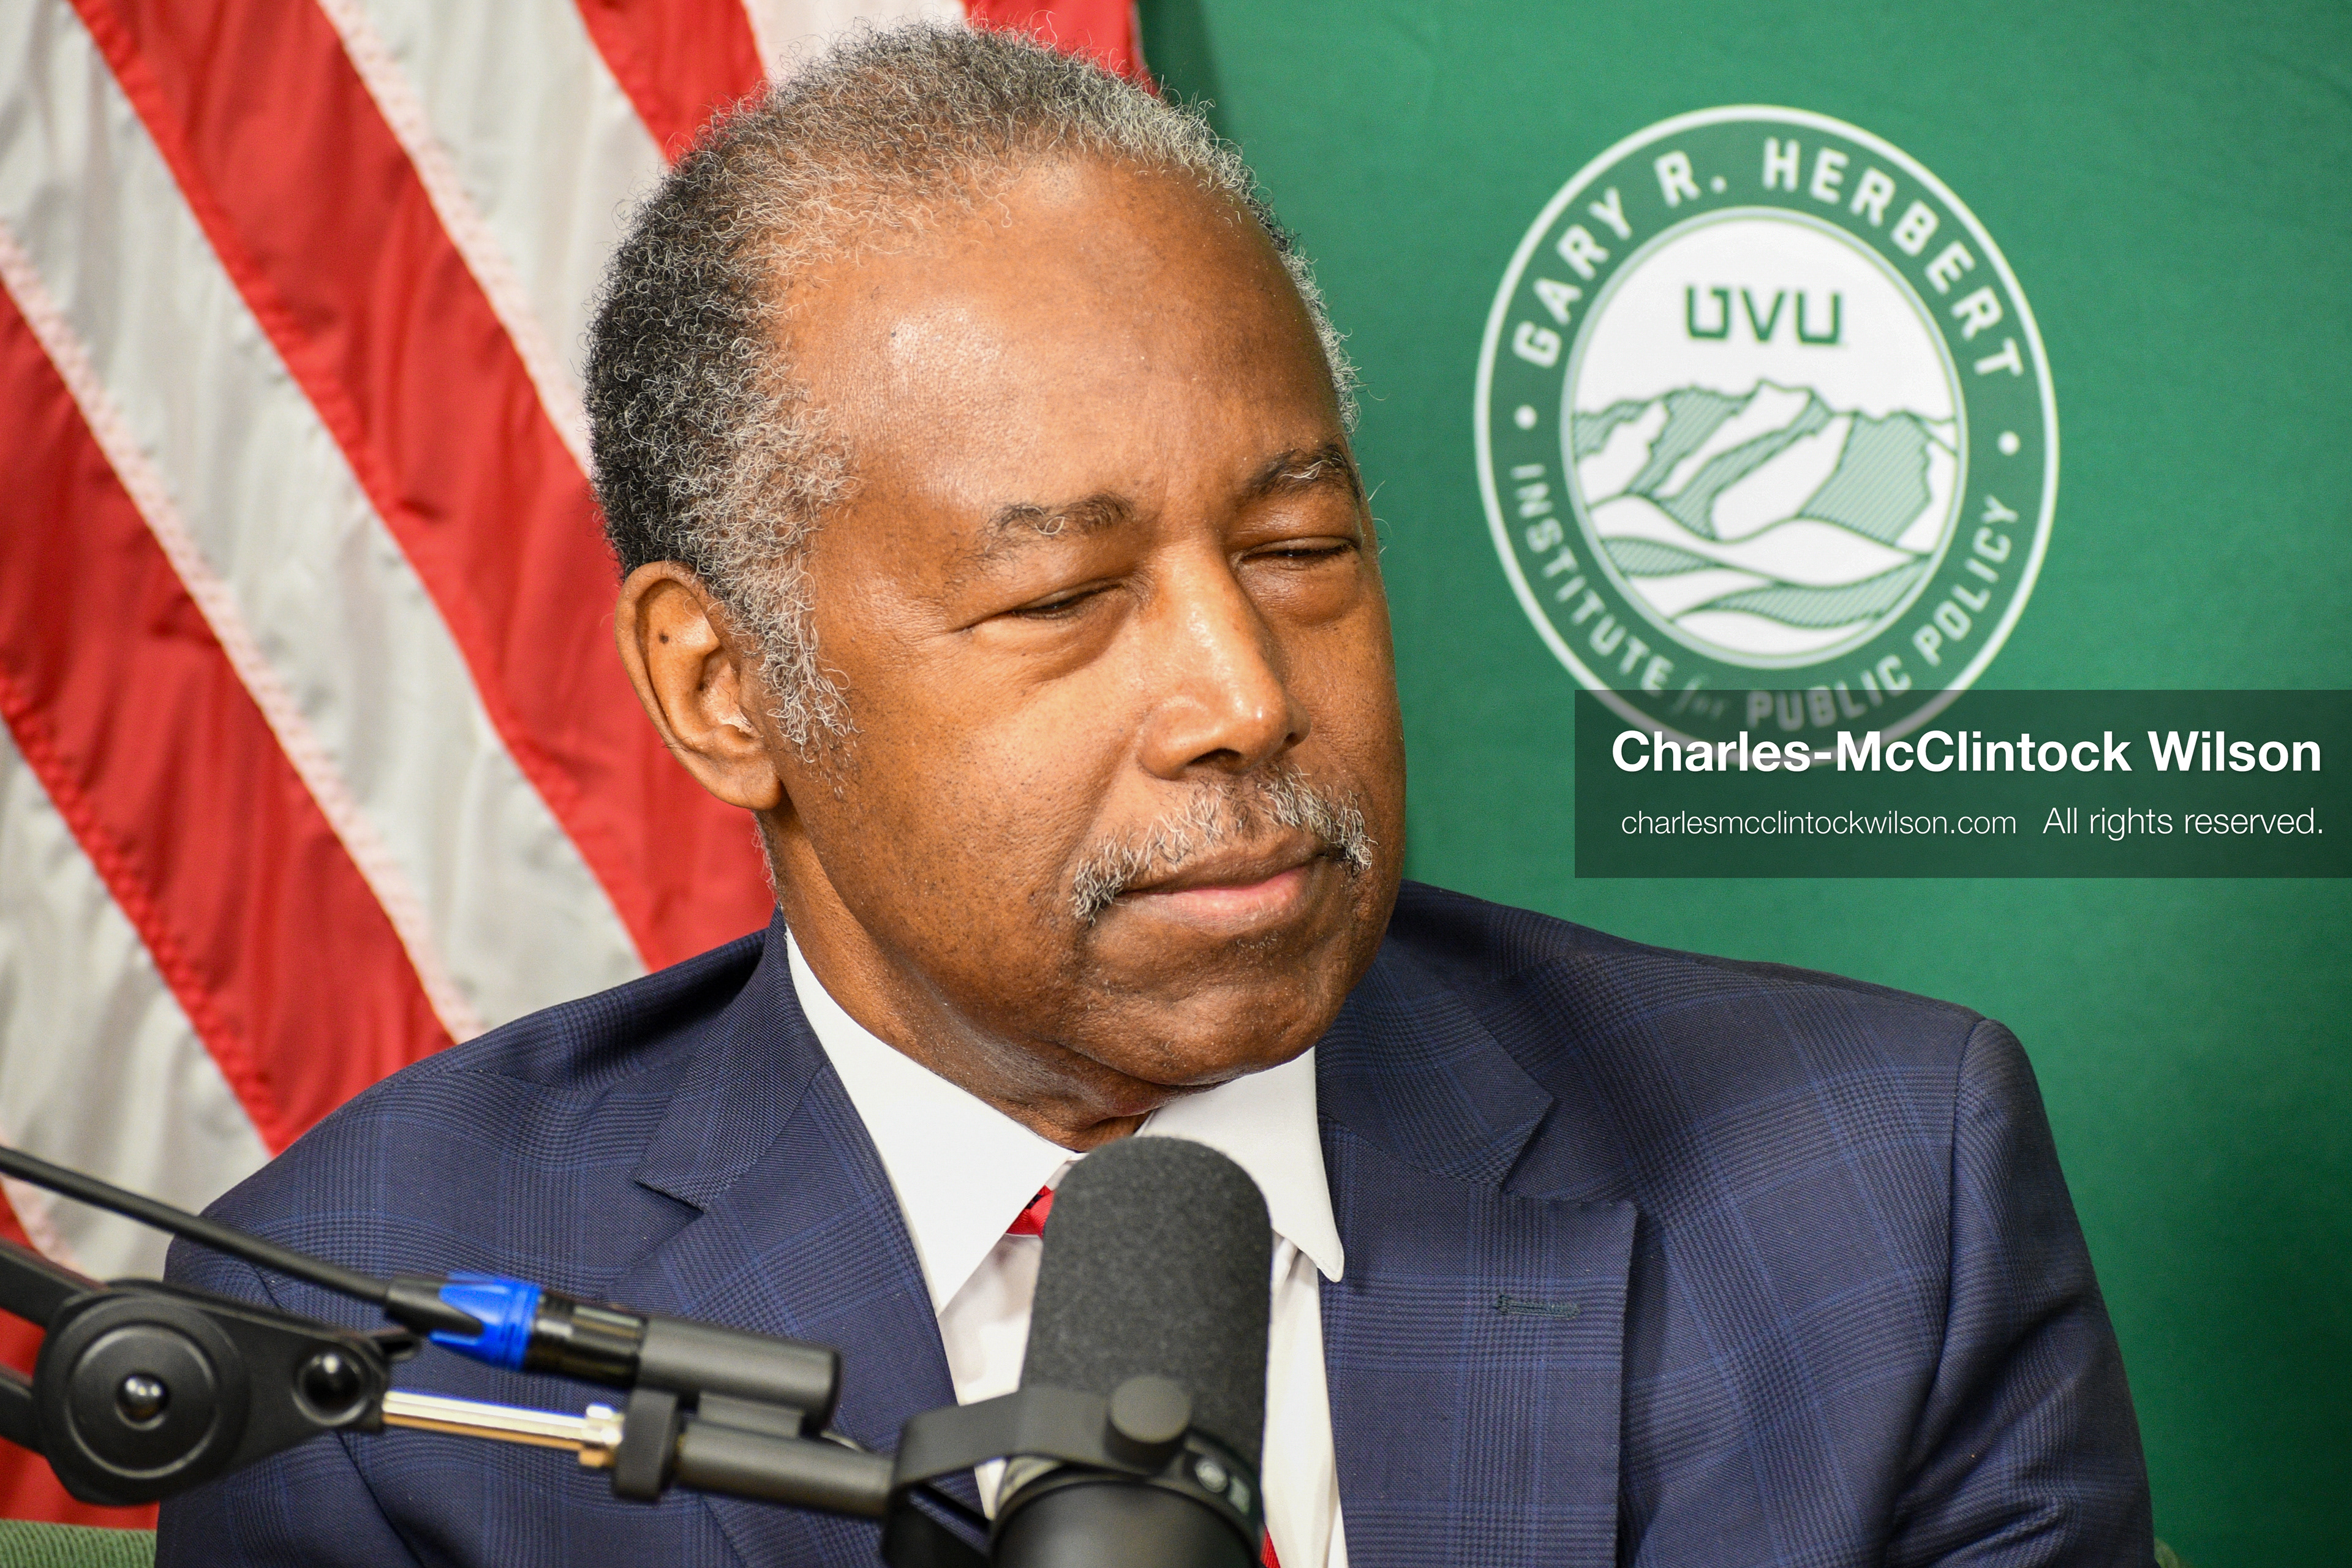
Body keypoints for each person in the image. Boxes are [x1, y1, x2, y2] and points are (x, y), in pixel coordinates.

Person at [157, 24, 2150, 1567]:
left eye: (1298, 550)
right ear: (724, 687)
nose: (1242, 696)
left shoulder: (1875, 1198)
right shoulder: (373, 1334)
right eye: (1062, 593)